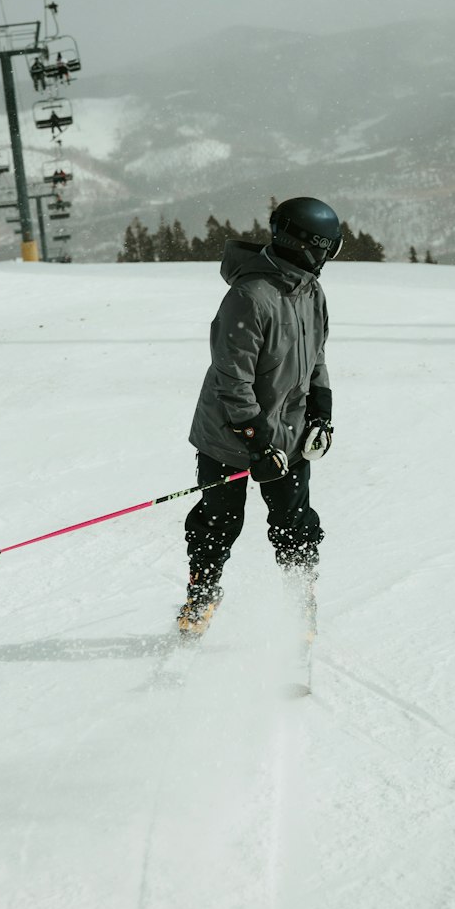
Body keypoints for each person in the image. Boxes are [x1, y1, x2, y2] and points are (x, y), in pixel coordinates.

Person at [179, 196, 340, 638]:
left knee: (295, 521)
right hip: (228, 437)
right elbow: (233, 380)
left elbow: (316, 357)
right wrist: (255, 440)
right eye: (328, 248)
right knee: (219, 522)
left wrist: (321, 411)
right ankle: (202, 592)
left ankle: (299, 595)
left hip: (288, 435)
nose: (328, 259)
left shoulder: (311, 290)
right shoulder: (249, 297)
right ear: (308, 245)